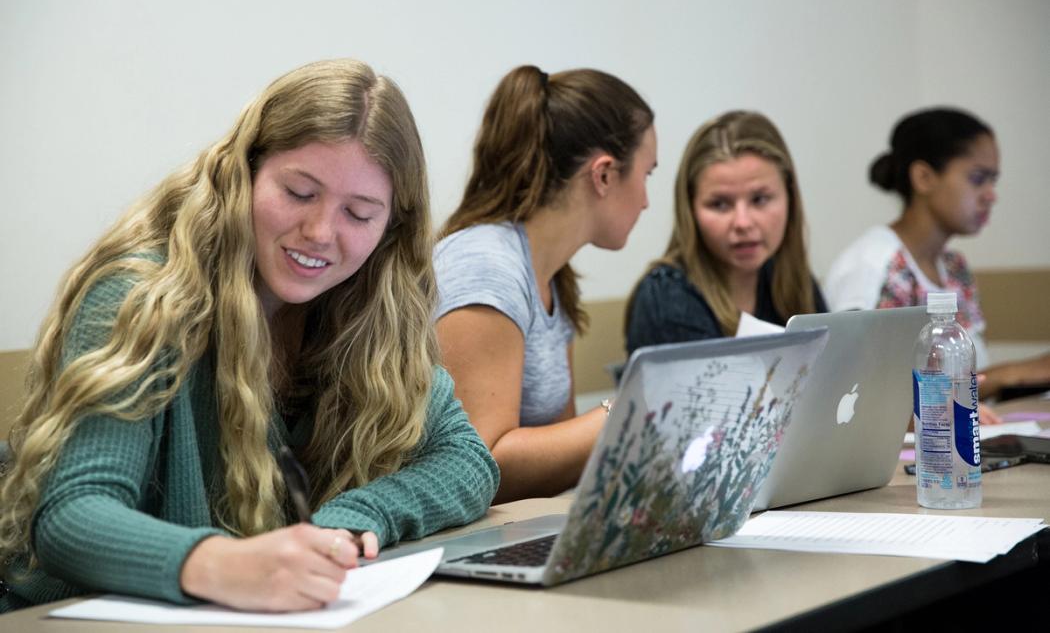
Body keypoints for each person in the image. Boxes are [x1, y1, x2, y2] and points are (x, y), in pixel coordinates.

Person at [0, 59, 498, 613]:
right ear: (246, 170)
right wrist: (222, 564)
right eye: (299, 192)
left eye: (359, 214)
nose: (320, 233)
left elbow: (466, 460)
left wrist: (357, 517)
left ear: (390, 229)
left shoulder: (371, 307)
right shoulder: (141, 295)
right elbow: (73, 516)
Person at [434, 65, 656, 504]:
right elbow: (476, 464)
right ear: (605, 174)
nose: (647, 200)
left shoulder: (554, 275)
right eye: (646, 175)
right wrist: (628, 411)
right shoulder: (485, 264)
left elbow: (560, 454)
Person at [824, 107, 1010, 416]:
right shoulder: (873, 265)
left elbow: (968, 374)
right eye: (978, 179)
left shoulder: (954, 267)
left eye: (993, 180)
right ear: (923, 177)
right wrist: (1010, 375)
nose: (991, 195)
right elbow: (864, 393)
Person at [625, 110, 826, 355]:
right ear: (690, 210)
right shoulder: (665, 295)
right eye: (720, 204)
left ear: (790, 199)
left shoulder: (793, 280)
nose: (742, 223)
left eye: (760, 199)